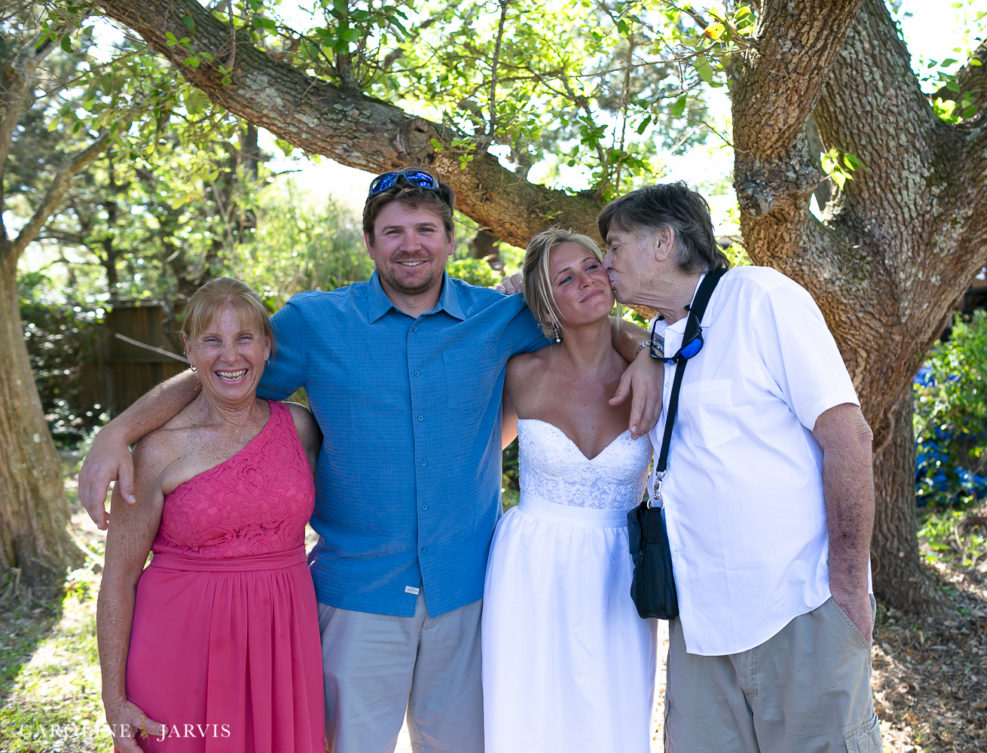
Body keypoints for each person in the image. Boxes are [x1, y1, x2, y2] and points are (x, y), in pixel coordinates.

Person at [80, 169, 661, 753]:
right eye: (393, 232)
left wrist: (646, 356)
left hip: (470, 593)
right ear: (369, 243)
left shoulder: (501, 317)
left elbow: (596, 318)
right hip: (356, 595)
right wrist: (118, 432)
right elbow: (225, 366)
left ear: (451, 239)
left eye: (426, 229)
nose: (411, 244)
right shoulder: (315, 322)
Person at [598, 183, 882, 753]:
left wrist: (850, 586)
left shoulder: (761, 296)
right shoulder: (659, 335)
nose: (605, 263)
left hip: (798, 608)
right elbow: (601, 330)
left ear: (663, 241)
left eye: (614, 245)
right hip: (698, 626)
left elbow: (848, 436)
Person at [97, 277, 324, 753]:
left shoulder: (301, 428)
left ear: (267, 346)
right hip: (182, 654)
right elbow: (117, 580)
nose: (230, 356)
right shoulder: (156, 451)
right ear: (188, 349)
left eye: (244, 338)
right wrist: (114, 702)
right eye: (212, 341)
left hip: (281, 646)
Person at [481, 229, 656, 753]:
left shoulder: (652, 369)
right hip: (530, 567)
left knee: (614, 719)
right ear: (547, 303)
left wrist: (646, 349)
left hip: (620, 570)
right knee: (527, 718)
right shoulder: (520, 374)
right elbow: (473, 454)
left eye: (592, 267)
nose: (586, 281)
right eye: (566, 278)